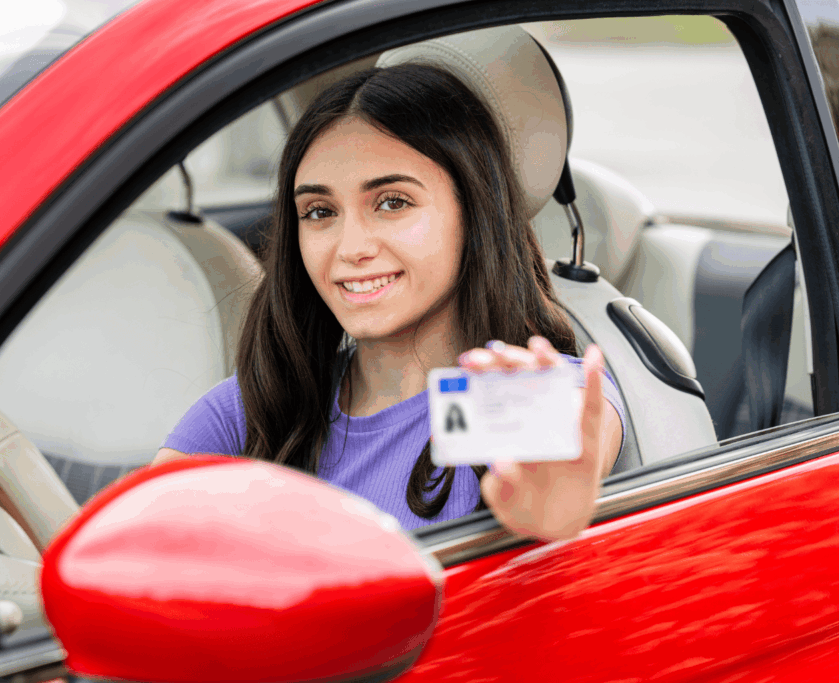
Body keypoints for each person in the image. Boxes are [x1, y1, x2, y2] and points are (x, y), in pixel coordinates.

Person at [154, 63, 624, 541]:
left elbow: (571, 453)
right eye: (320, 212)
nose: (351, 247)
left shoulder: (528, 390)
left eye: (392, 202)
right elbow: (131, 555)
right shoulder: (253, 407)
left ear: (473, 212)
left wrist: (554, 504)